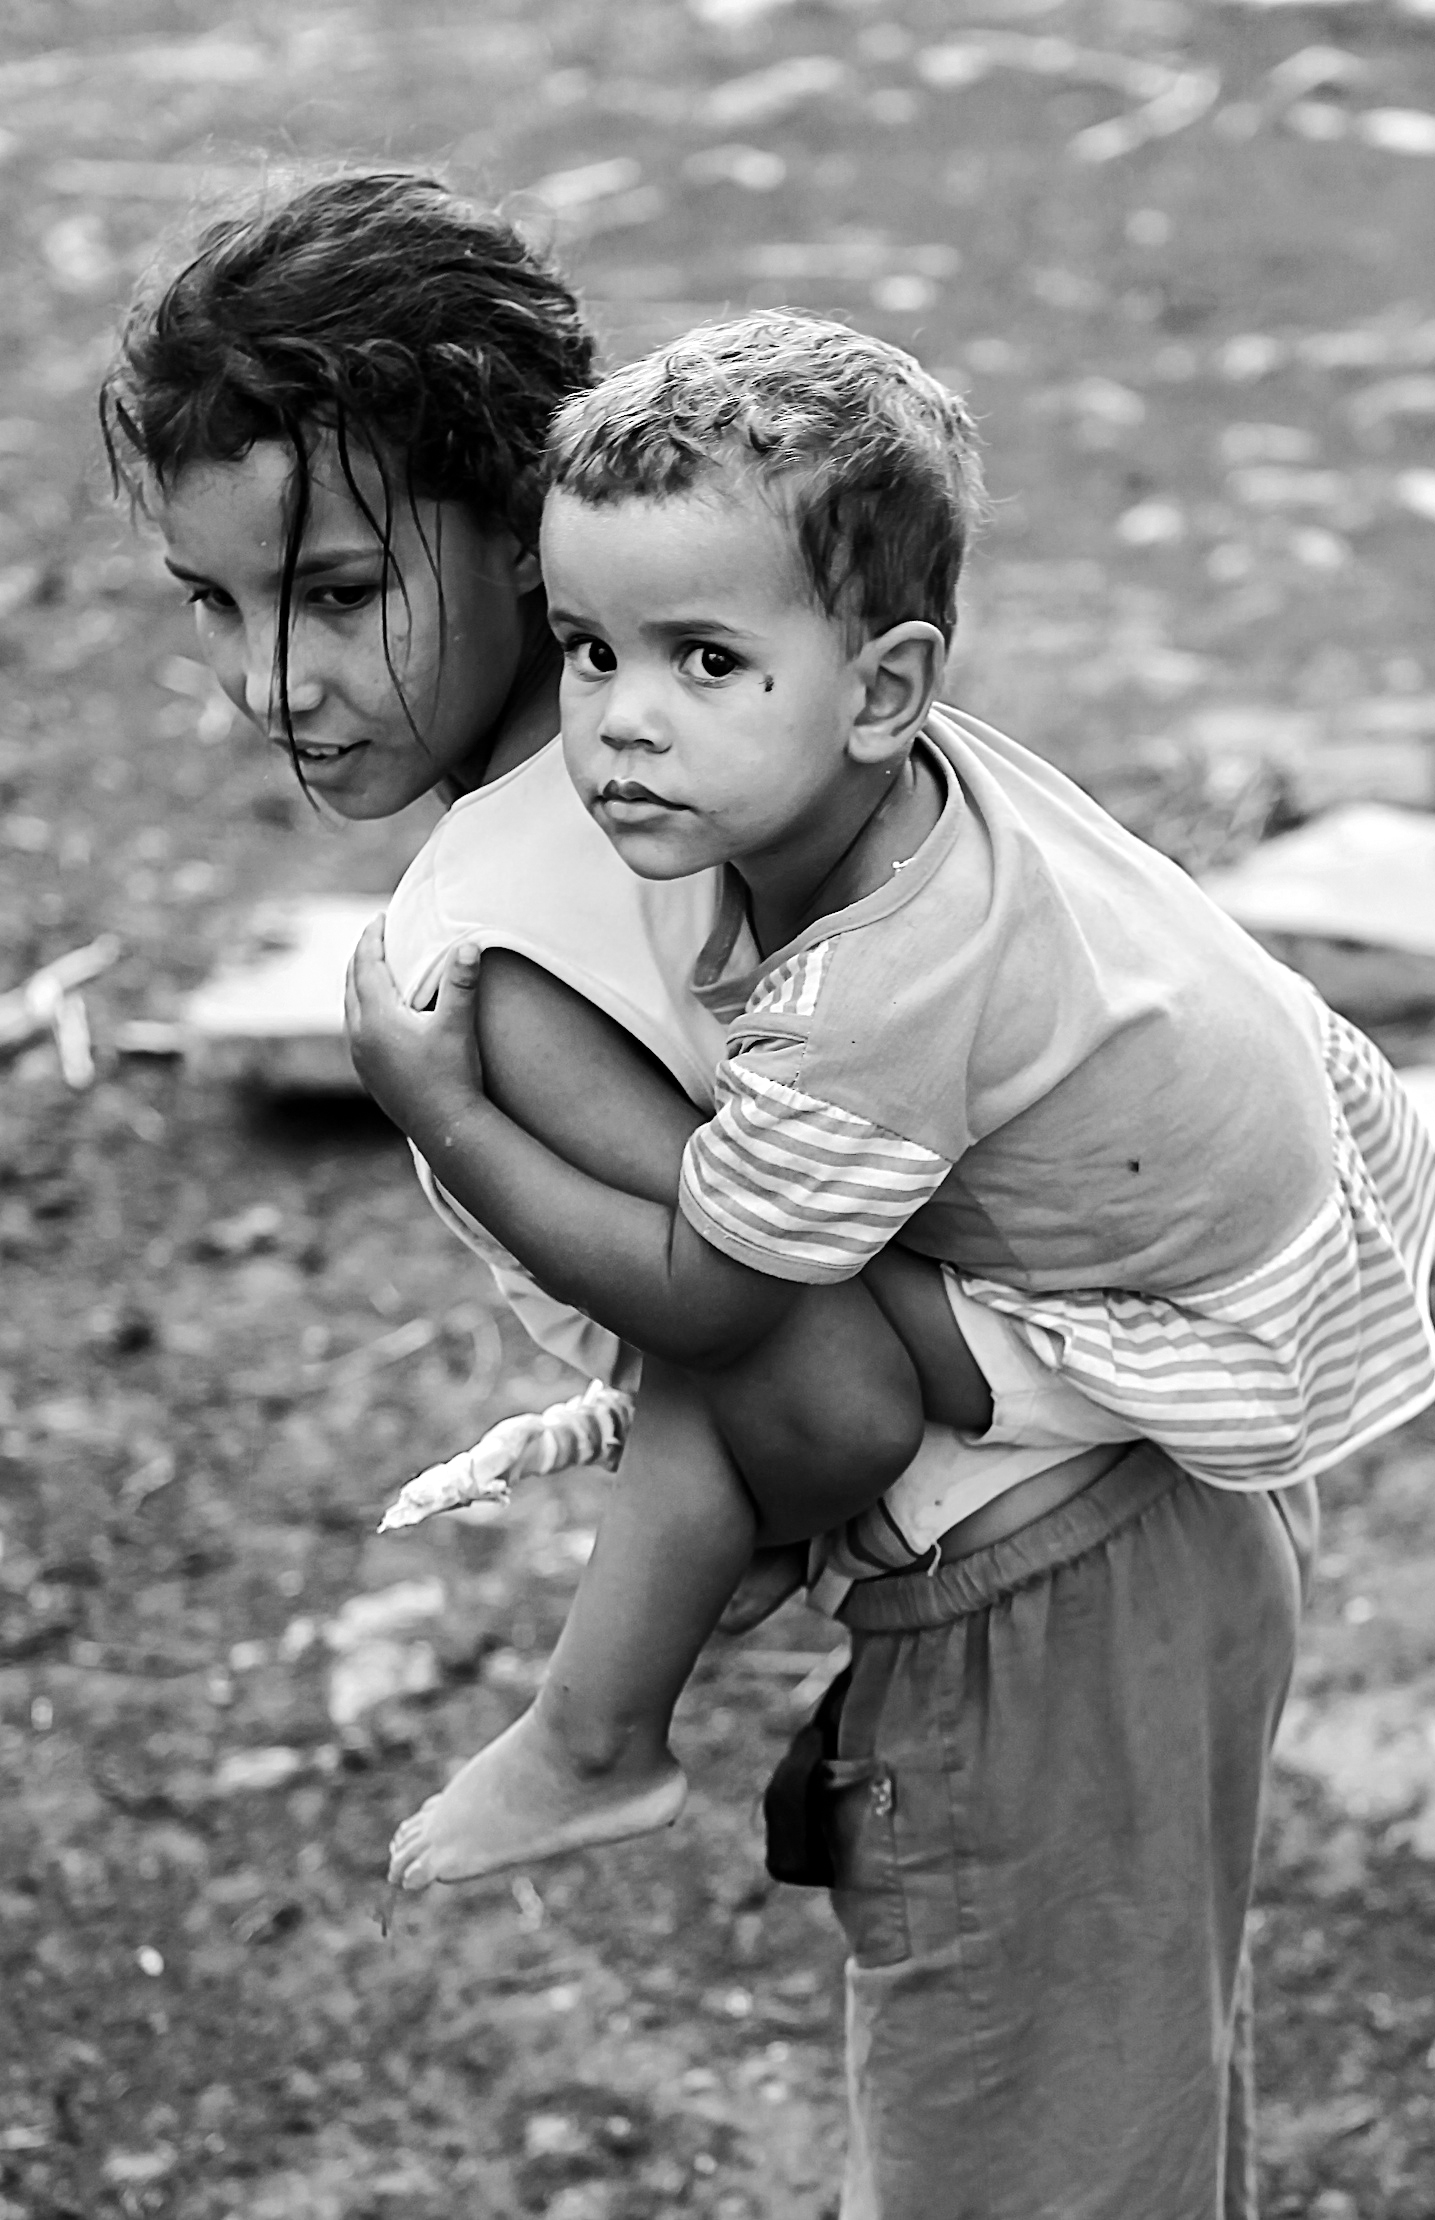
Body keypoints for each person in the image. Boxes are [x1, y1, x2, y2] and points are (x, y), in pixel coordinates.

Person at [98, 182, 1364, 2215]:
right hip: (1161, 1507)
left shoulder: (497, 940)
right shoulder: (751, 744)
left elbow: (816, 1383)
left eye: (335, 593)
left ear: (522, 520)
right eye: (216, 605)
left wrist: (456, 1130)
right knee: (1120, 2137)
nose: (267, 681)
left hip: (1029, 1597)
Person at [348, 304, 1435, 1871]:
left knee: (720, 1354)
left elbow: (713, 1298)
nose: (621, 721)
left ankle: (595, 1737)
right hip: (1253, 1167)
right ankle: (728, 1541)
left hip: (1180, 1313)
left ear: (882, 690)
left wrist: (440, 1104)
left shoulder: (880, 991)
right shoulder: (896, 788)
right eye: (591, 652)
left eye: (706, 661)